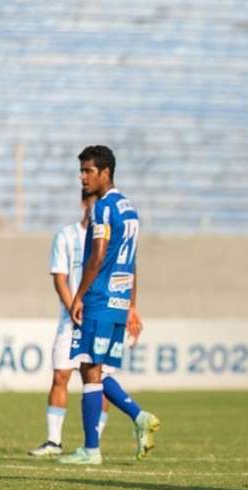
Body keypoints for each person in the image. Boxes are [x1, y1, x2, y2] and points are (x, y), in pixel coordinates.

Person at [58, 145, 160, 465]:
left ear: (106, 173)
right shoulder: (129, 208)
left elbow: (98, 256)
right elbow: (131, 261)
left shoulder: (102, 207)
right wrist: (131, 305)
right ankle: (139, 416)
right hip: (118, 301)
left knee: (89, 368)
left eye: (88, 171)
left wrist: (78, 296)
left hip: (100, 299)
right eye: (81, 171)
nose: (82, 177)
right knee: (98, 369)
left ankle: (91, 450)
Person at [29, 191, 112, 457]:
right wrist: (73, 307)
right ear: (83, 204)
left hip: (100, 318)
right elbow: (60, 278)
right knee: (60, 375)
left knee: (99, 379)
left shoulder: (111, 237)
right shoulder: (65, 235)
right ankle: (54, 441)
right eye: (91, 202)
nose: (95, 207)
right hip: (71, 319)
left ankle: (93, 442)